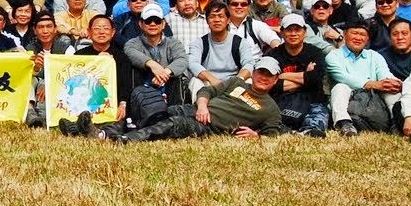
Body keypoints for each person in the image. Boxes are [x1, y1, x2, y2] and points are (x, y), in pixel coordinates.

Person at [96, 57, 286, 143]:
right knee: (155, 111)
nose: (263, 77)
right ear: (254, 72)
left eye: (269, 75)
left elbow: (273, 135)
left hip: (210, 127)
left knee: (172, 123)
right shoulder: (237, 82)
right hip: (196, 109)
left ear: (276, 79)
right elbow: (207, 90)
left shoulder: (271, 109)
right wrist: (202, 106)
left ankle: (125, 139)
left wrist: (256, 136)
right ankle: (100, 132)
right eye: (261, 72)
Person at [324, 21, 400, 136]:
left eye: (362, 34)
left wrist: (394, 83)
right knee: (340, 87)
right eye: (354, 33)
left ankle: (396, 124)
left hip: (373, 100)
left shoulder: (374, 55)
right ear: (345, 34)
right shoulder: (333, 56)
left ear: (367, 38)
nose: (358, 38)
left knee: (391, 89)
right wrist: (373, 84)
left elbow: (385, 74)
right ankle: (345, 124)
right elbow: (343, 77)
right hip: (348, 100)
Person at [121, 3, 190, 124]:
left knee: (179, 78)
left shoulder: (174, 43)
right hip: (143, 87)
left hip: (168, 85)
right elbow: (130, 52)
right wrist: (152, 64)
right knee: (132, 71)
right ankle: (137, 117)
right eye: (148, 21)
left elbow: (182, 59)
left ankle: (176, 117)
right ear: (141, 24)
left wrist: (165, 73)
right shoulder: (132, 43)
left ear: (163, 24)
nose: (153, 24)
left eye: (157, 21)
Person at [267, 14, 331, 137]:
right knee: (270, 118)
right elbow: (271, 84)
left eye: (297, 30)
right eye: (289, 30)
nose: (293, 34)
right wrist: (306, 77)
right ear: (282, 32)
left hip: (312, 101)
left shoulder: (315, 52)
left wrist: (283, 75)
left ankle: (307, 131)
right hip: (281, 100)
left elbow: (316, 79)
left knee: (319, 119)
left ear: (305, 32)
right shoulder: (273, 55)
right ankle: (288, 130)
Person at [187, 1, 260, 102]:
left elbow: (249, 64)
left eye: (221, 16)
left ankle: (245, 111)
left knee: (249, 81)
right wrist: (213, 80)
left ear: (228, 20)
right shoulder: (199, 43)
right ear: (207, 21)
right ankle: (200, 109)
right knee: (195, 81)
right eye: (212, 17)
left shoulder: (240, 42)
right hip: (209, 83)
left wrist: (236, 81)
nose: (217, 20)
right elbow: (192, 63)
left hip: (234, 83)